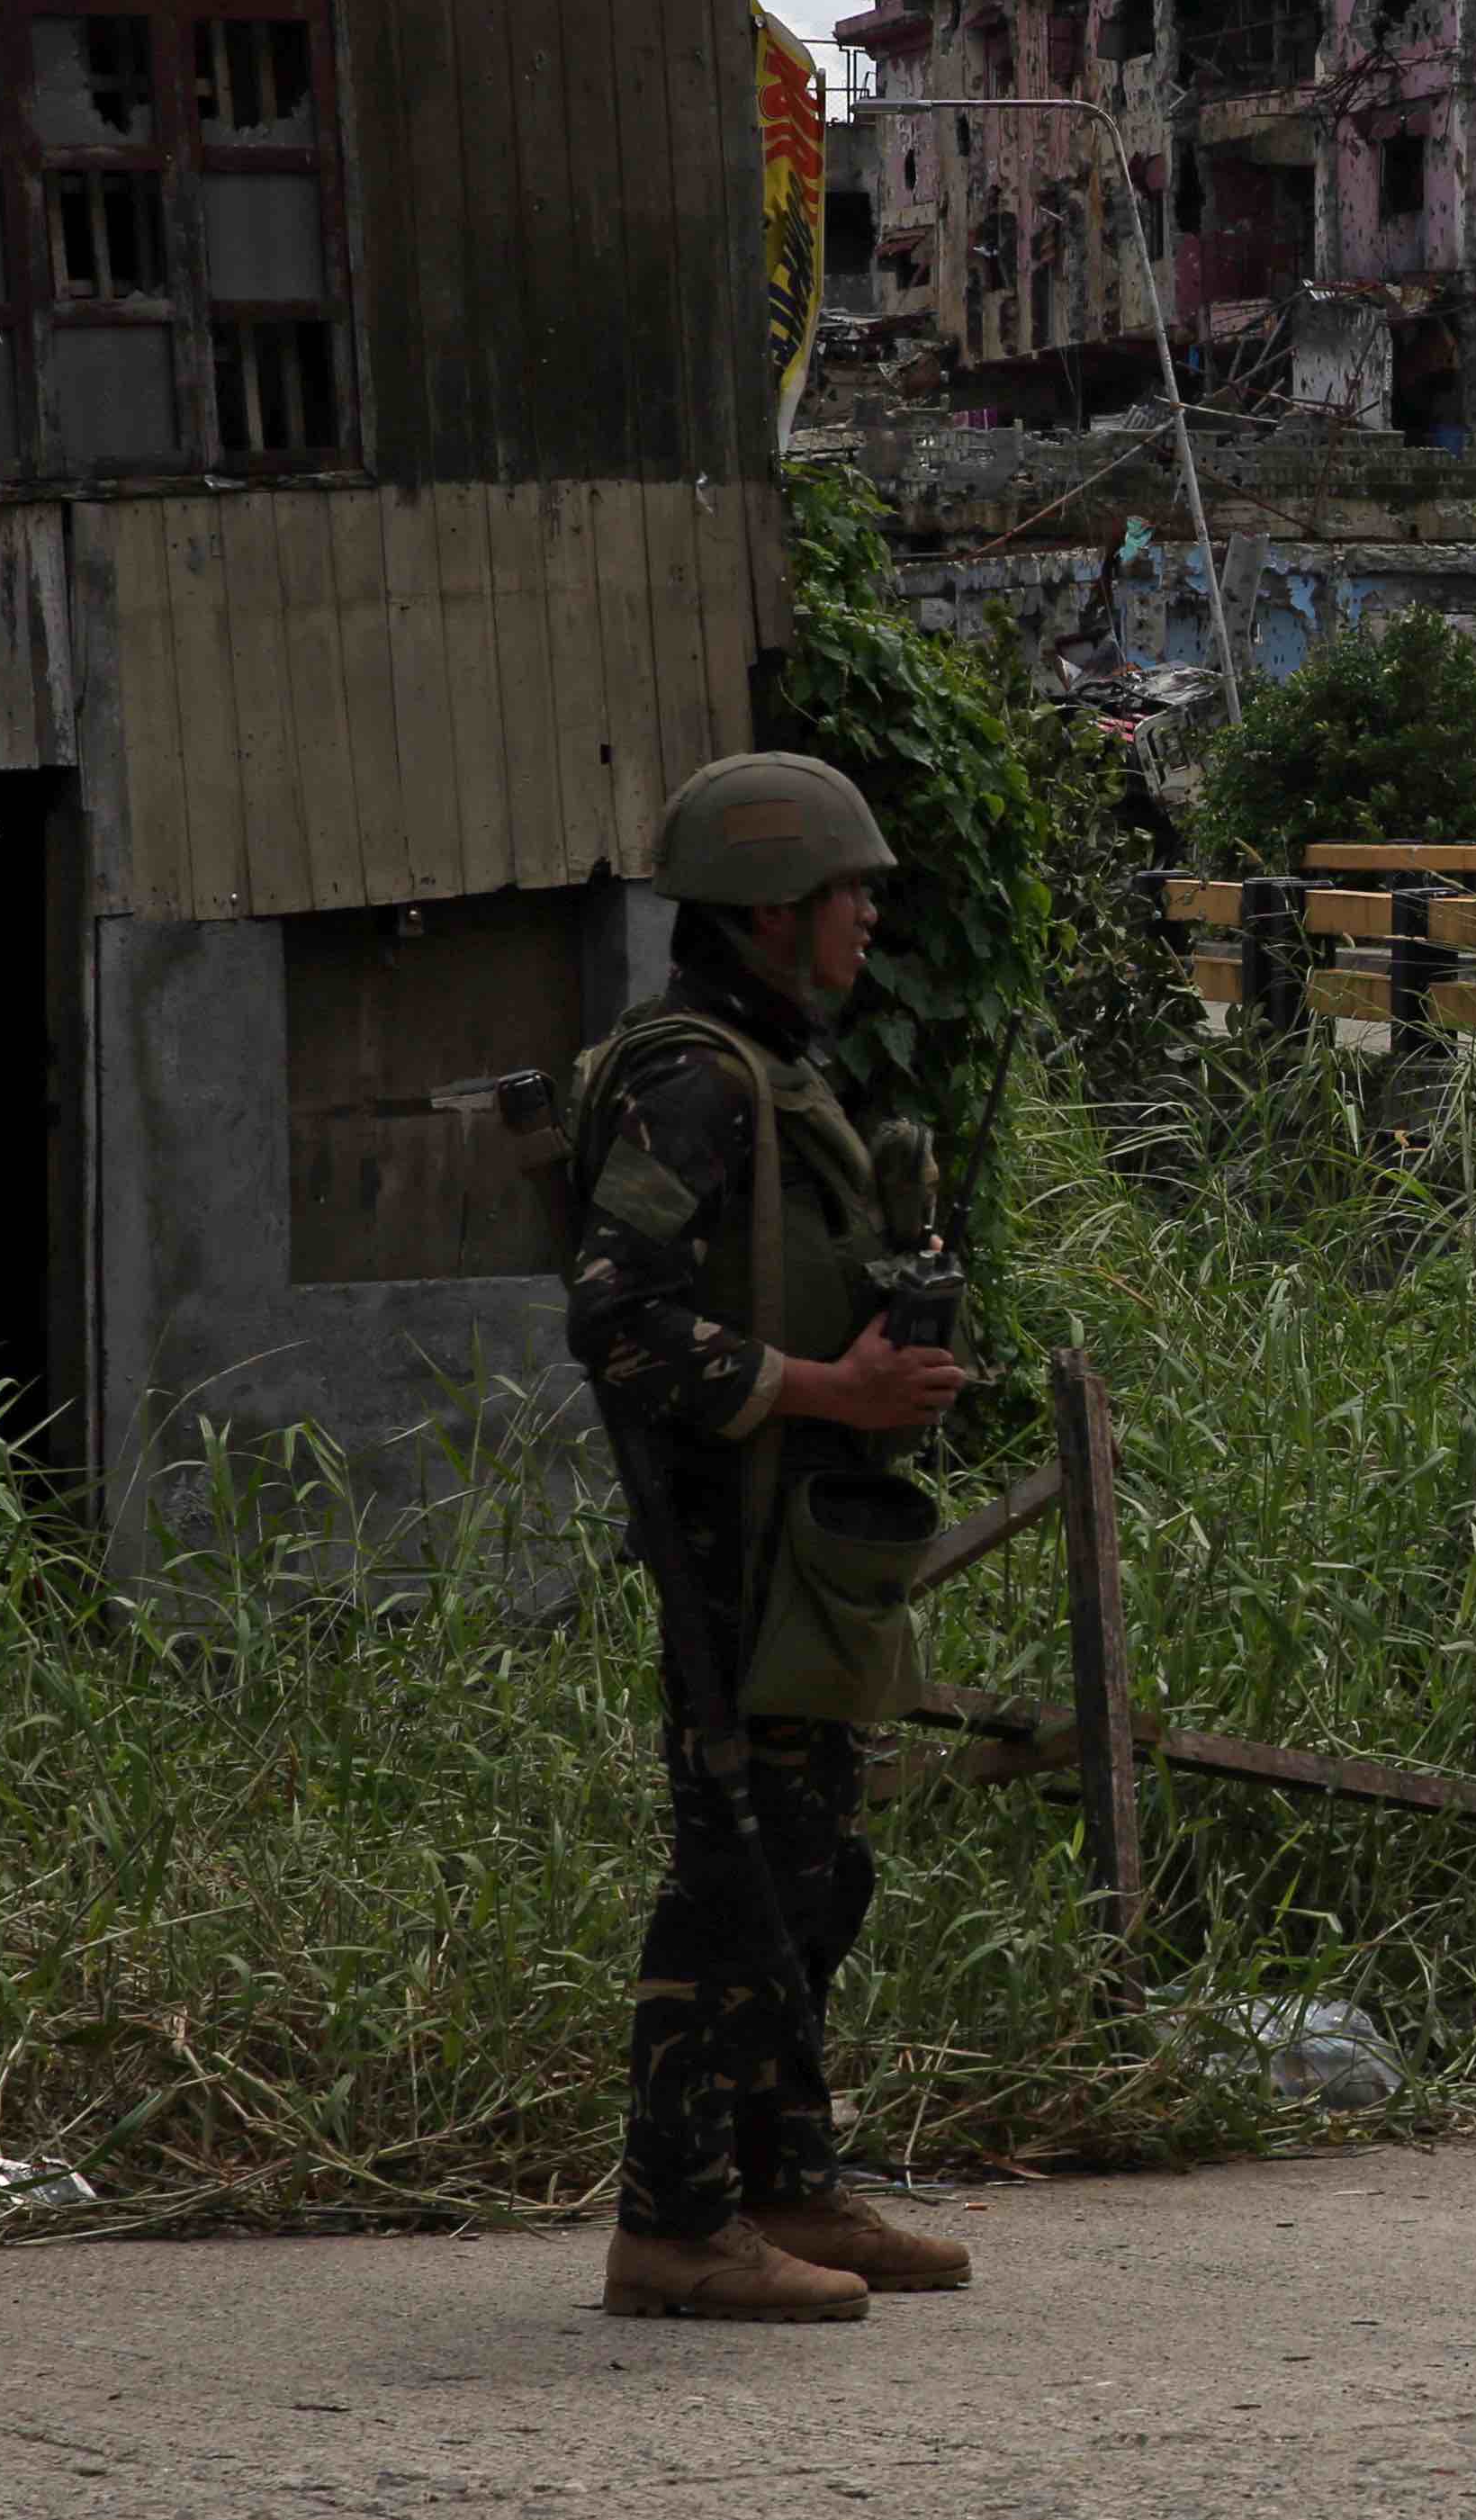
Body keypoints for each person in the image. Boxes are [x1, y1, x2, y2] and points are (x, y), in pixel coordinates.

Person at [566, 752, 975, 2324]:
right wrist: (827, 1384)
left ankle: (786, 2181)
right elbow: (615, 1321)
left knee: (813, 1867)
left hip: (800, 1538)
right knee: (733, 1876)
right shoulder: (699, 1082)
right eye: (847, 890)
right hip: (731, 1551)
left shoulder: (768, 1066)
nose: (868, 913)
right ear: (773, 906)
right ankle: (673, 2223)